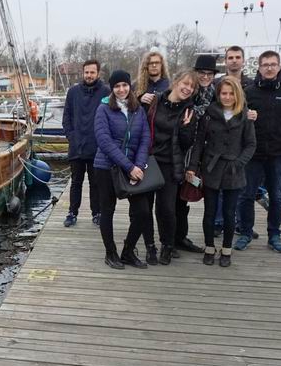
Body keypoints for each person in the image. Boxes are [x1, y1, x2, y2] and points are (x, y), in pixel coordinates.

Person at [235, 50, 281, 253]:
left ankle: (274, 235)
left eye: (273, 64)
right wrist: (246, 116)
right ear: (259, 68)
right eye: (265, 65)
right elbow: (236, 117)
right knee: (246, 195)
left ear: (279, 66)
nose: (269, 68)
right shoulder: (249, 91)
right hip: (253, 153)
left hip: (278, 154)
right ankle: (246, 232)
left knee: (276, 197)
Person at [186, 76, 255, 267]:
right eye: (223, 93)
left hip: (233, 170)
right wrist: (192, 166)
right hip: (211, 168)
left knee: (229, 212)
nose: (227, 97)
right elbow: (199, 142)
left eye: (231, 93)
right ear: (218, 94)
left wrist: (238, 163)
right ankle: (209, 247)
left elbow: (250, 144)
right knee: (209, 212)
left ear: (237, 94)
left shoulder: (244, 115)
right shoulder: (209, 114)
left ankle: (226, 249)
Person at [93, 70, 152, 269]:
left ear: (130, 86)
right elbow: (104, 141)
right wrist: (129, 167)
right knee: (107, 210)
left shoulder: (138, 110)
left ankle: (128, 250)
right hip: (106, 167)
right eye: (117, 86)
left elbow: (145, 138)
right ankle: (111, 253)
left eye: (124, 85)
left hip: (134, 167)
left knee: (143, 211)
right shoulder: (103, 109)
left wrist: (139, 165)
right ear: (112, 88)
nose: (121, 89)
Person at [146, 69, 198, 264]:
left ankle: (167, 245)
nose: (187, 89)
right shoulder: (156, 101)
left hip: (171, 164)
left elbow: (187, 144)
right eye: (185, 83)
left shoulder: (189, 110)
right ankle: (149, 244)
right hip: (150, 160)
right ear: (176, 82)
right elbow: (143, 125)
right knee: (144, 206)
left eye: (192, 87)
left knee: (166, 208)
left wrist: (185, 128)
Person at [173, 55, 219, 255]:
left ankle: (180, 237)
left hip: (199, 150)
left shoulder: (213, 94)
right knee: (173, 200)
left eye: (209, 74)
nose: (206, 77)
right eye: (202, 73)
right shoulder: (187, 92)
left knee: (185, 198)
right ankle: (170, 240)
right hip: (179, 150)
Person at [62, 59, 111, 227]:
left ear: (98, 73)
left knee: (95, 183)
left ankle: (96, 212)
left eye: (92, 72)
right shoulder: (73, 92)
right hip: (76, 146)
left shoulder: (106, 92)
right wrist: (71, 136)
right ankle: (72, 212)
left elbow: (110, 118)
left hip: (96, 147)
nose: (89, 75)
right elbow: (66, 117)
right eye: (86, 72)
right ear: (83, 73)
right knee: (76, 182)